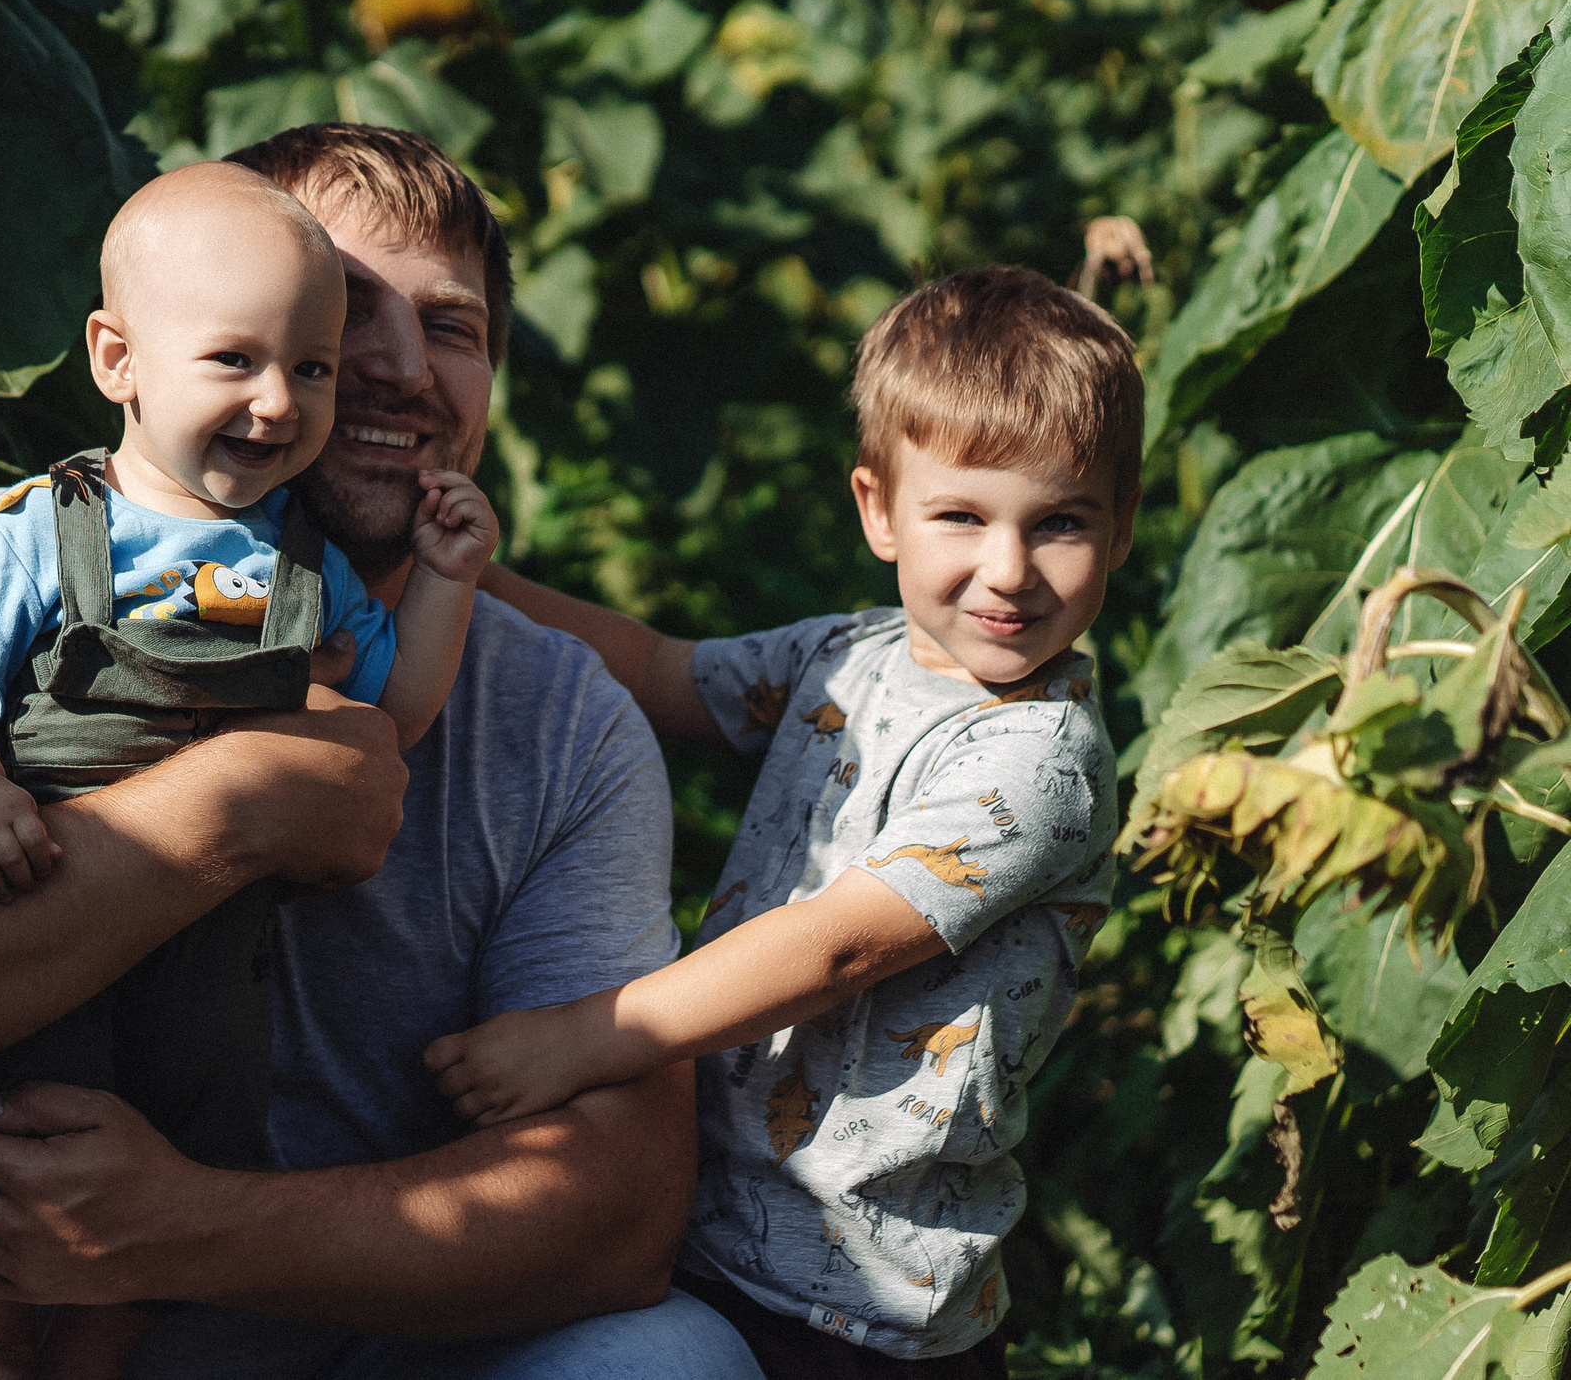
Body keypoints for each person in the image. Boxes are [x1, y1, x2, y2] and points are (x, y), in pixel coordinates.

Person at [0, 124, 758, 1379]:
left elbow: (616, 1218)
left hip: (340, 1355)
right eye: (342, 309)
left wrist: (180, 1231)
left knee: (665, 1360)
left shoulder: (559, 721)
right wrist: (227, 806)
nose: (395, 368)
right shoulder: (16, 551)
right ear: (140, 352)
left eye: (450, 328)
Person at [440, 265, 1139, 1379]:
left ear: (1124, 524)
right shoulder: (847, 655)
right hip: (725, 1233)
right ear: (879, 510)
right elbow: (661, 673)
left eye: (1059, 522)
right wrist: (470, 578)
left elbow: (836, 946)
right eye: (961, 517)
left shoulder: (1040, 759)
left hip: (864, 1299)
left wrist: (583, 1037)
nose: (1007, 571)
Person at [0, 162, 496, 1377]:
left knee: (191, 1149)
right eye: (234, 361)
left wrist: (447, 582)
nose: (276, 402)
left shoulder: (297, 565)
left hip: (215, 938)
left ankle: (90, 1359)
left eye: (308, 370)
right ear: (117, 361)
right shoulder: (41, 527)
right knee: (12, 1136)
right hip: (47, 887)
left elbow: (399, 714)